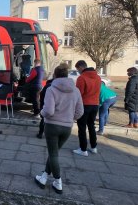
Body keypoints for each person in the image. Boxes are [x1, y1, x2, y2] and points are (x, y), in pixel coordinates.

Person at [34, 63, 84, 194]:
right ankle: (44, 177)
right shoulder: (76, 90)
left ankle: (58, 182)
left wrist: (42, 113)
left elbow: (48, 111)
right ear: (67, 75)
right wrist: (70, 118)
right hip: (67, 127)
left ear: (55, 75)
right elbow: (80, 112)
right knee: (54, 154)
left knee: (53, 154)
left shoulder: (51, 89)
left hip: (52, 126)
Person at [72, 60, 101, 157]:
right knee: (91, 126)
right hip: (95, 105)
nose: (78, 71)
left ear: (81, 67)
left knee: (82, 127)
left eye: (77, 69)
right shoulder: (98, 77)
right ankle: (93, 147)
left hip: (84, 105)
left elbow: (78, 94)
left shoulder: (82, 78)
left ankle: (83, 149)